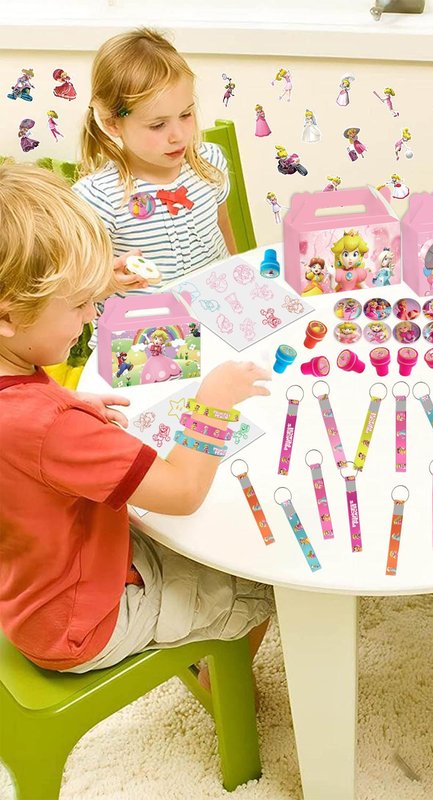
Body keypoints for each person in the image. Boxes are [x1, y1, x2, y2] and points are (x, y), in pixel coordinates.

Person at [0, 164, 273, 679]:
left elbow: (24, 431)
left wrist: (68, 404)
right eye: (80, 304)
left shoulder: (15, 375)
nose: (91, 316)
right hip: (84, 621)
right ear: (9, 316)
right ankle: (220, 689)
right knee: (264, 581)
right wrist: (213, 403)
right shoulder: (52, 427)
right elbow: (183, 491)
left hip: (36, 582)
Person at [74, 28, 236, 288]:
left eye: (185, 115)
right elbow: (79, 283)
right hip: (146, 313)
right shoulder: (99, 197)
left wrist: (238, 275)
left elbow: (223, 228)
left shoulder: (209, 163)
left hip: (217, 299)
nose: (178, 136)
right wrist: (110, 282)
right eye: (158, 125)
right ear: (112, 123)